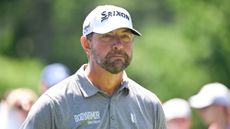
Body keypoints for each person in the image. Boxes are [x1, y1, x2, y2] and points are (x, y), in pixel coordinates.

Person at [20, 5, 167, 129]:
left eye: (125, 36)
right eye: (107, 36)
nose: (118, 44)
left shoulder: (150, 105)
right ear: (86, 44)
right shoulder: (53, 104)